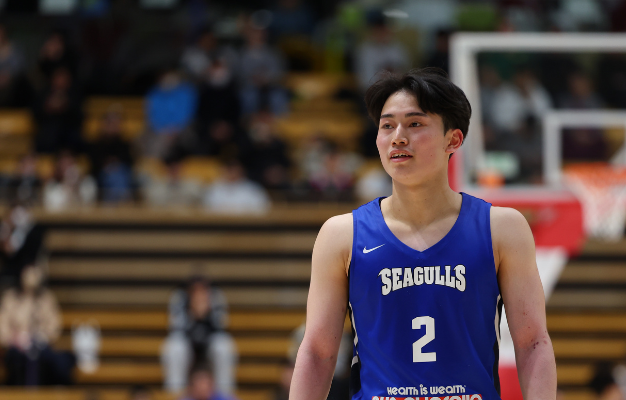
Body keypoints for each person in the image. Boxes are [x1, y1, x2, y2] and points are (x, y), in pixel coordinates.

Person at [288, 68, 556, 400]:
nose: (398, 137)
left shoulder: (501, 229)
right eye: (387, 126)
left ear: (453, 140)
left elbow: (533, 343)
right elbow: (318, 352)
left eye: (415, 124)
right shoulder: (341, 235)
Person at [161, 275, 237, 395]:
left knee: (223, 345)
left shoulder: (216, 297)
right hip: (187, 343)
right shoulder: (179, 298)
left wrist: (206, 315)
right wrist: (192, 315)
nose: (199, 295)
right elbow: (175, 328)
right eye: (195, 290)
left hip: (209, 343)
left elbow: (222, 327)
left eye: (202, 290)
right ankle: (175, 392)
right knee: (174, 347)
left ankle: (224, 392)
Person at [0, 264, 73, 385]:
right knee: (18, 361)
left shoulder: (47, 298)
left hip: (41, 348)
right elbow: (2, 325)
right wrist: (14, 339)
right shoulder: (10, 297)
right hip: (15, 350)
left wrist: (42, 336)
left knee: (57, 362)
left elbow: (54, 326)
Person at [203, 160, 270, 214]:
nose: (232, 172)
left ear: (241, 170)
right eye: (229, 169)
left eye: (235, 169)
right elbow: (205, 209)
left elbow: (264, 209)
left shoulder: (253, 189)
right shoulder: (213, 188)